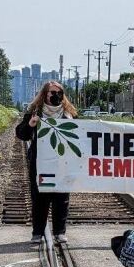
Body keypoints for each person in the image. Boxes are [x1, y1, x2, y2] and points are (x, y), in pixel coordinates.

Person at [15, 81, 78, 244]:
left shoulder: (69, 114)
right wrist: (31, 125)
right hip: (40, 162)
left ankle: (59, 232)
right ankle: (37, 232)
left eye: (59, 93)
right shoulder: (35, 112)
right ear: (45, 94)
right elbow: (21, 134)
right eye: (52, 92)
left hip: (62, 162)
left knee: (61, 197)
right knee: (39, 197)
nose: (56, 95)